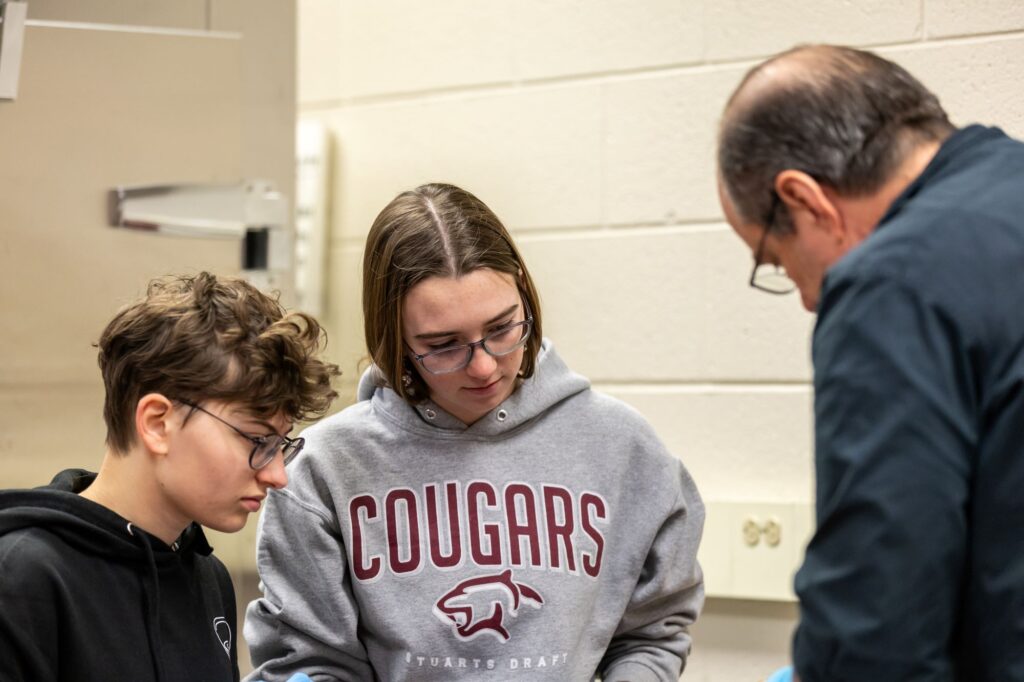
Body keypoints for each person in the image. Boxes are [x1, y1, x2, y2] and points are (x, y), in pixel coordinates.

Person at [244, 182, 705, 681]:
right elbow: (312, 663)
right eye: (443, 345)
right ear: (393, 339)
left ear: (525, 298)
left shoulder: (624, 449)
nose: (483, 367)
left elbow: (652, 633)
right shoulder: (324, 471)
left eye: (503, 329)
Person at [717, 44, 1024, 681]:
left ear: (804, 199)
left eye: (776, 261)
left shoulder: (892, 282)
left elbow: (881, 605)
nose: (807, 299)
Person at [0, 272, 339, 682]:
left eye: (281, 445)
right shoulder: (20, 579)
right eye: (257, 439)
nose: (277, 475)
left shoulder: (209, 579)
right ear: (158, 423)